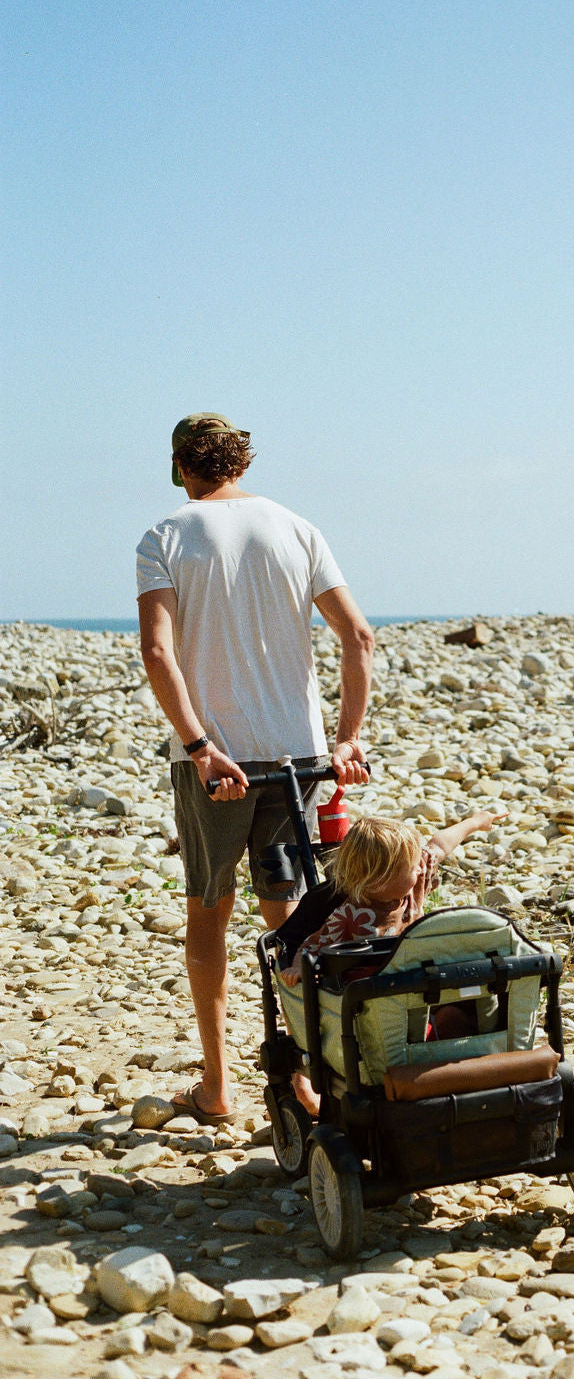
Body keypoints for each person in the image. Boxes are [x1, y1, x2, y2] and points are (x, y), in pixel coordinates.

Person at [136, 412, 374, 1125]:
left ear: (181, 466)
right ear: (241, 463)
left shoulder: (166, 536)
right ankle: (306, 1078)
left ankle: (218, 1086)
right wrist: (347, 739)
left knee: (209, 915)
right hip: (297, 757)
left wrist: (201, 744)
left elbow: (157, 653)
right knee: (290, 916)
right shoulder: (298, 528)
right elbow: (358, 636)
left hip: (219, 763)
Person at [275, 809, 506, 1114]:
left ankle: (448, 1056)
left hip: (415, 991)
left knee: (456, 1014)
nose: (420, 870)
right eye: (411, 867)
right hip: (373, 1003)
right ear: (378, 876)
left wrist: (475, 822)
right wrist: (296, 965)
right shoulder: (351, 913)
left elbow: (438, 846)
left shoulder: (410, 886)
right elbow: (316, 943)